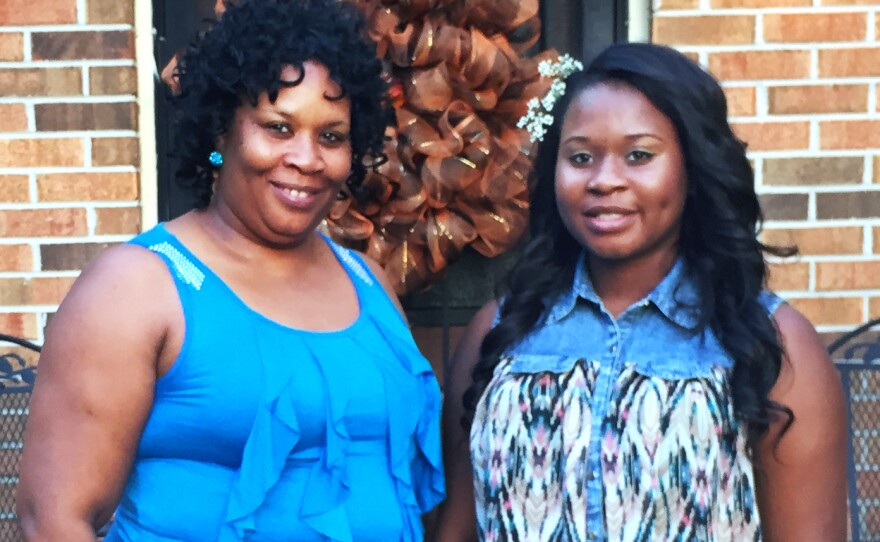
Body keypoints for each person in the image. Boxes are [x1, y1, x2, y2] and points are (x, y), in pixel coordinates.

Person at [16, 1, 444, 540]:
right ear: (222, 132)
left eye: (331, 137)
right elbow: (53, 522)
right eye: (277, 127)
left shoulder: (368, 281)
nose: (307, 159)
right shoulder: (136, 286)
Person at [435, 43, 846, 541]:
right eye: (581, 157)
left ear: (693, 170)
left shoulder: (774, 345)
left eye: (639, 155)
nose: (605, 180)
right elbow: (456, 528)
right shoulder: (500, 332)